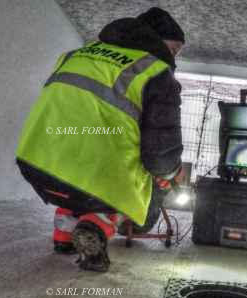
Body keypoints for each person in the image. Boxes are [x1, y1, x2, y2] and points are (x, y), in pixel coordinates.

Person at [15, 7, 185, 272]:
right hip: (93, 176)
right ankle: (99, 222)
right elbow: (160, 154)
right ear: (155, 40)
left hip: (36, 162)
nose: (174, 58)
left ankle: (63, 234)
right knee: (144, 178)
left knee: (81, 176)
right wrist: (172, 174)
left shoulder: (74, 55)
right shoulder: (156, 72)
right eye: (174, 50)